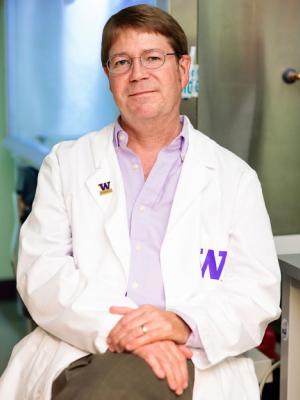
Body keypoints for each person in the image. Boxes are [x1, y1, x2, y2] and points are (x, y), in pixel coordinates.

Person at [0, 5, 281, 400]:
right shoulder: (66, 164)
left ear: (183, 70)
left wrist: (180, 324)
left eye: (153, 58)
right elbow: (41, 272)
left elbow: (255, 293)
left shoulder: (234, 179)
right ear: (108, 77)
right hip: (84, 343)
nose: (138, 74)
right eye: (122, 61)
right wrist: (134, 334)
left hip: (187, 352)